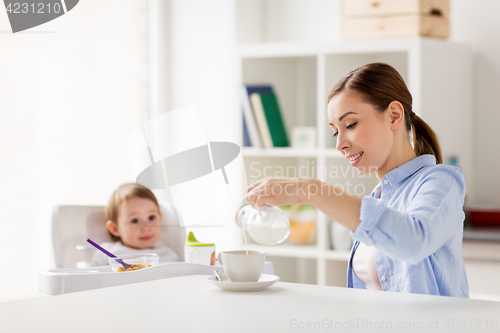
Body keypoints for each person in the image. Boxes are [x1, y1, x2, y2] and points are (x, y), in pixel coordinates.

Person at [245, 63, 468, 297]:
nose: (339, 144)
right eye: (335, 130)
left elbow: (414, 240)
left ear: (394, 116)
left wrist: (310, 189)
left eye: (350, 125)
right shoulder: (378, 198)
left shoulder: (443, 182)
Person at [89, 183, 179, 266]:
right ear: (115, 229)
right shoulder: (106, 253)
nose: (146, 228)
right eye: (135, 221)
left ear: (160, 218)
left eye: (151, 218)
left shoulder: (167, 256)